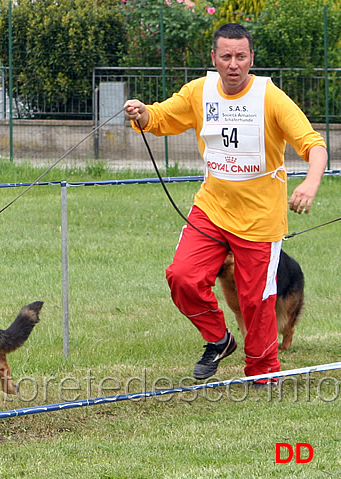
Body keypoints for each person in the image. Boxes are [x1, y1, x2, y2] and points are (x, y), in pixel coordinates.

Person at [124, 23, 327, 386]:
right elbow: (162, 117)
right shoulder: (199, 91)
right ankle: (219, 338)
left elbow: (314, 145)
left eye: (241, 56)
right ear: (214, 58)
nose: (234, 64)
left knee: (256, 301)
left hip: (260, 219)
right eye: (227, 56)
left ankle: (262, 373)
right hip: (212, 209)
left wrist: (310, 184)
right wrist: (142, 114)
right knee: (182, 276)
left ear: (251, 58)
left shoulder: (270, 96)